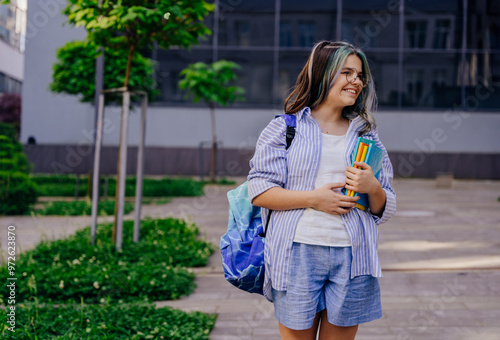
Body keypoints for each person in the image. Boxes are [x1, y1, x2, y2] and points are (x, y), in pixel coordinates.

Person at [247, 40, 396, 340]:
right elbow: (259, 190)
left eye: (360, 75)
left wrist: (373, 187)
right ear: (322, 74)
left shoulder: (366, 134)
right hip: (297, 253)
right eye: (347, 72)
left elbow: (385, 205)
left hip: (354, 256)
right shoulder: (286, 128)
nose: (357, 81)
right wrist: (315, 199)